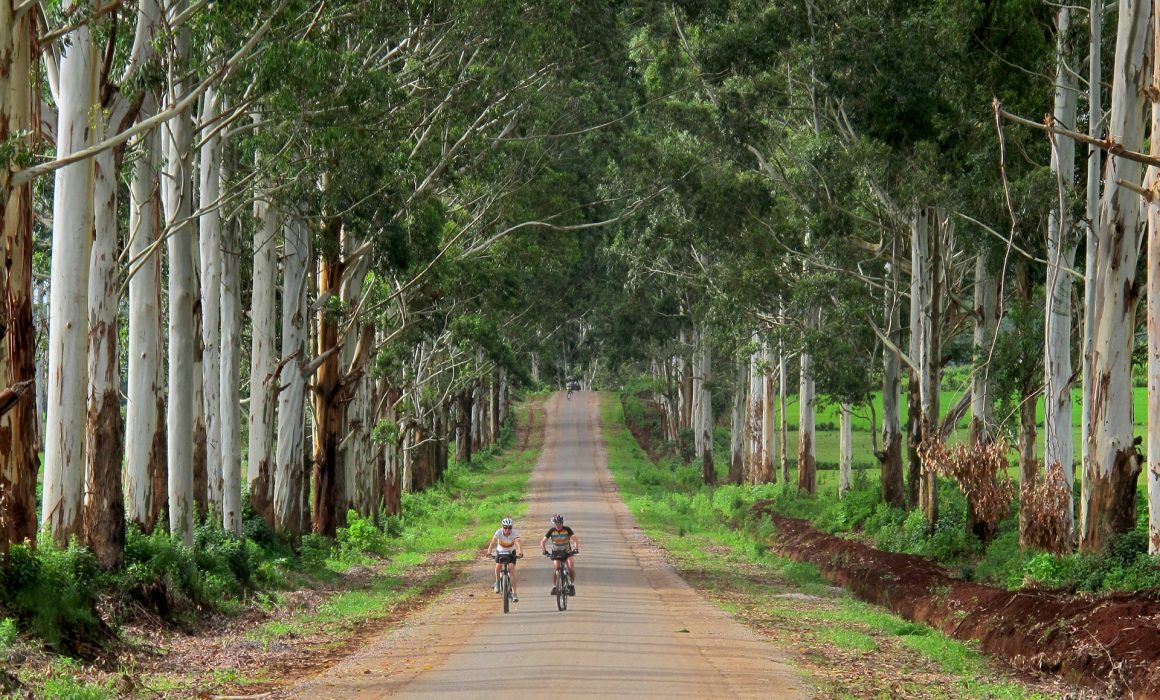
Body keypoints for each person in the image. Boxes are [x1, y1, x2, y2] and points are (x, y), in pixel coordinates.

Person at [540, 514, 579, 595]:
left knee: (571, 567)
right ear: (554, 524)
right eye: (556, 524)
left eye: (560, 524)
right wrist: (544, 550)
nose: (558, 525)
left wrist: (576, 548)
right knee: (556, 568)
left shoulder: (567, 529)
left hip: (567, 552)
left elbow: (575, 539)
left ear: (562, 523)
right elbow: (543, 542)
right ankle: (555, 586)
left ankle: (571, 584)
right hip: (556, 552)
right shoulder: (551, 531)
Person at [486, 517, 523, 601]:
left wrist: (520, 552)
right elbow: (493, 542)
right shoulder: (498, 532)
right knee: (498, 566)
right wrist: (489, 552)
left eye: (509, 527)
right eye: (505, 527)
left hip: (511, 553)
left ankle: (514, 593)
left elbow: (518, 542)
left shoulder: (514, 533)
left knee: (511, 569)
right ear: (502, 527)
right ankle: (498, 583)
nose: (507, 529)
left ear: (512, 527)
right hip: (500, 552)